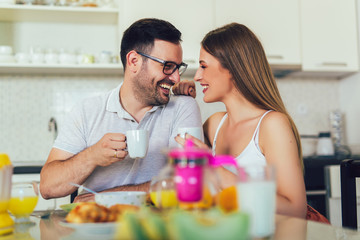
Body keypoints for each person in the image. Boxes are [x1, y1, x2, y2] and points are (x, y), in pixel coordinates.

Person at [40, 18, 202, 202]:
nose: (175, 78)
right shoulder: (87, 111)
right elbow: (47, 187)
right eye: (167, 66)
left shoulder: (183, 107)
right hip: (96, 226)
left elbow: (188, 183)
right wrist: (92, 156)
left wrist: (104, 198)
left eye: (177, 68)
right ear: (134, 61)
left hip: (159, 227)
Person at [175, 23, 307, 218]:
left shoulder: (272, 125)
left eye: (203, 66)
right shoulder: (214, 124)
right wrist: (180, 99)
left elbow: (295, 210)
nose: (196, 76)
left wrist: (215, 170)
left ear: (233, 69)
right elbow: (177, 147)